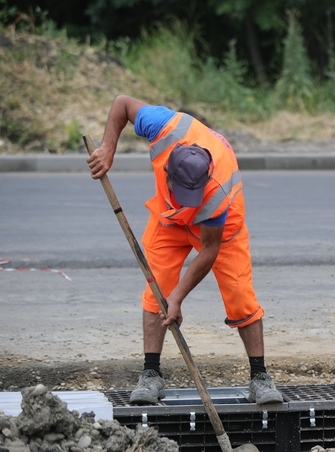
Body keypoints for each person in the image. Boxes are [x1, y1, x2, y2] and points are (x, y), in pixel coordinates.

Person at [87, 95, 282, 405]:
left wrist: (177, 298)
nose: (186, 198)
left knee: (240, 294)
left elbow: (208, 251)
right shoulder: (163, 127)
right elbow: (122, 104)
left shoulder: (216, 192)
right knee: (157, 288)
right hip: (168, 220)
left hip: (220, 231)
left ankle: (260, 376)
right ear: (169, 170)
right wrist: (108, 149)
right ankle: (151, 373)